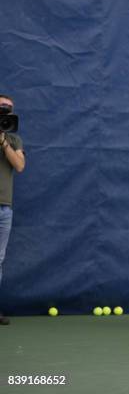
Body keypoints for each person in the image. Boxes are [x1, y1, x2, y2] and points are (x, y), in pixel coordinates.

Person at [0, 94, 26, 326]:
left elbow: (19, 166)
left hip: (4, 209)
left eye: (7, 108)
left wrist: (3, 141)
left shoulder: (14, 139)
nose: (4, 112)